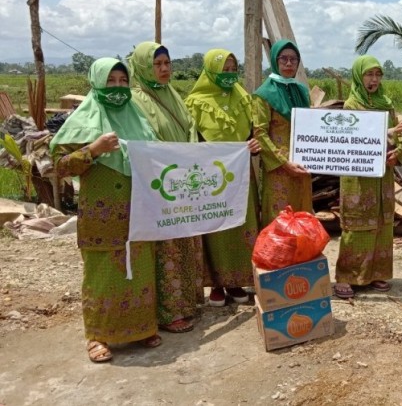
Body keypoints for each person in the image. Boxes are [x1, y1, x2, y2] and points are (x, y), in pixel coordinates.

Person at [50, 58, 161, 362]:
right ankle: (97, 336)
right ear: (97, 82)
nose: (117, 87)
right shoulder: (83, 120)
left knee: (139, 269)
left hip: (138, 210)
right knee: (102, 274)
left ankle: (141, 328)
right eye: (110, 81)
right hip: (101, 214)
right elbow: (59, 167)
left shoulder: (138, 119)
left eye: (123, 81)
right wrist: (93, 150)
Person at [129, 41, 204, 332]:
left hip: (183, 178)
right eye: (157, 64)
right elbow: (142, 138)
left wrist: (190, 153)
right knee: (166, 248)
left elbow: (189, 128)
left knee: (185, 240)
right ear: (145, 67)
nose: (163, 69)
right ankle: (168, 312)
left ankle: (187, 303)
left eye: (167, 63)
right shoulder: (136, 99)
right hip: (160, 182)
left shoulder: (172, 94)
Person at [184, 49, 261, 307]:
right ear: (210, 71)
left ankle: (236, 281)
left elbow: (253, 133)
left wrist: (253, 144)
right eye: (223, 70)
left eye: (232, 69)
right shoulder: (196, 102)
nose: (229, 75)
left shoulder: (243, 98)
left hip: (241, 173)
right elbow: (191, 139)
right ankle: (216, 283)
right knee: (215, 226)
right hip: (210, 176)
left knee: (241, 225)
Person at [333, 55, 402, 299]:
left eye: (378, 74)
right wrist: (388, 133)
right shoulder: (351, 107)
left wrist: (396, 152)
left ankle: (377, 273)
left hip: (383, 175)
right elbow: (354, 139)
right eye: (369, 74)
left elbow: (398, 138)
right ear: (359, 76)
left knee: (382, 223)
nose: (374, 79)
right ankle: (347, 276)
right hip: (358, 175)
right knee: (357, 224)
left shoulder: (386, 103)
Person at [252, 39, 312, 227]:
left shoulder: (301, 91)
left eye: (293, 59)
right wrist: (285, 163)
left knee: (301, 214)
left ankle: (302, 255)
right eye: (283, 59)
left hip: (302, 165)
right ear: (275, 61)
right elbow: (260, 133)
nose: (288, 64)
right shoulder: (264, 94)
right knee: (280, 217)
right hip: (279, 169)